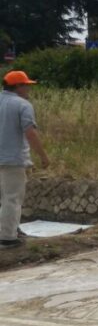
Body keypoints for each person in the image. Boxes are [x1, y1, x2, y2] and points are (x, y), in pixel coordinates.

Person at [0, 71, 50, 249]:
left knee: (3, 198)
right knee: (12, 198)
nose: (29, 88)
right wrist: (43, 156)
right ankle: (7, 237)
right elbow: (30, 132)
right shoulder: (22, 105)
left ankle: (11, 229)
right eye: (26, 85)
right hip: (12, 159)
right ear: (18, 87)